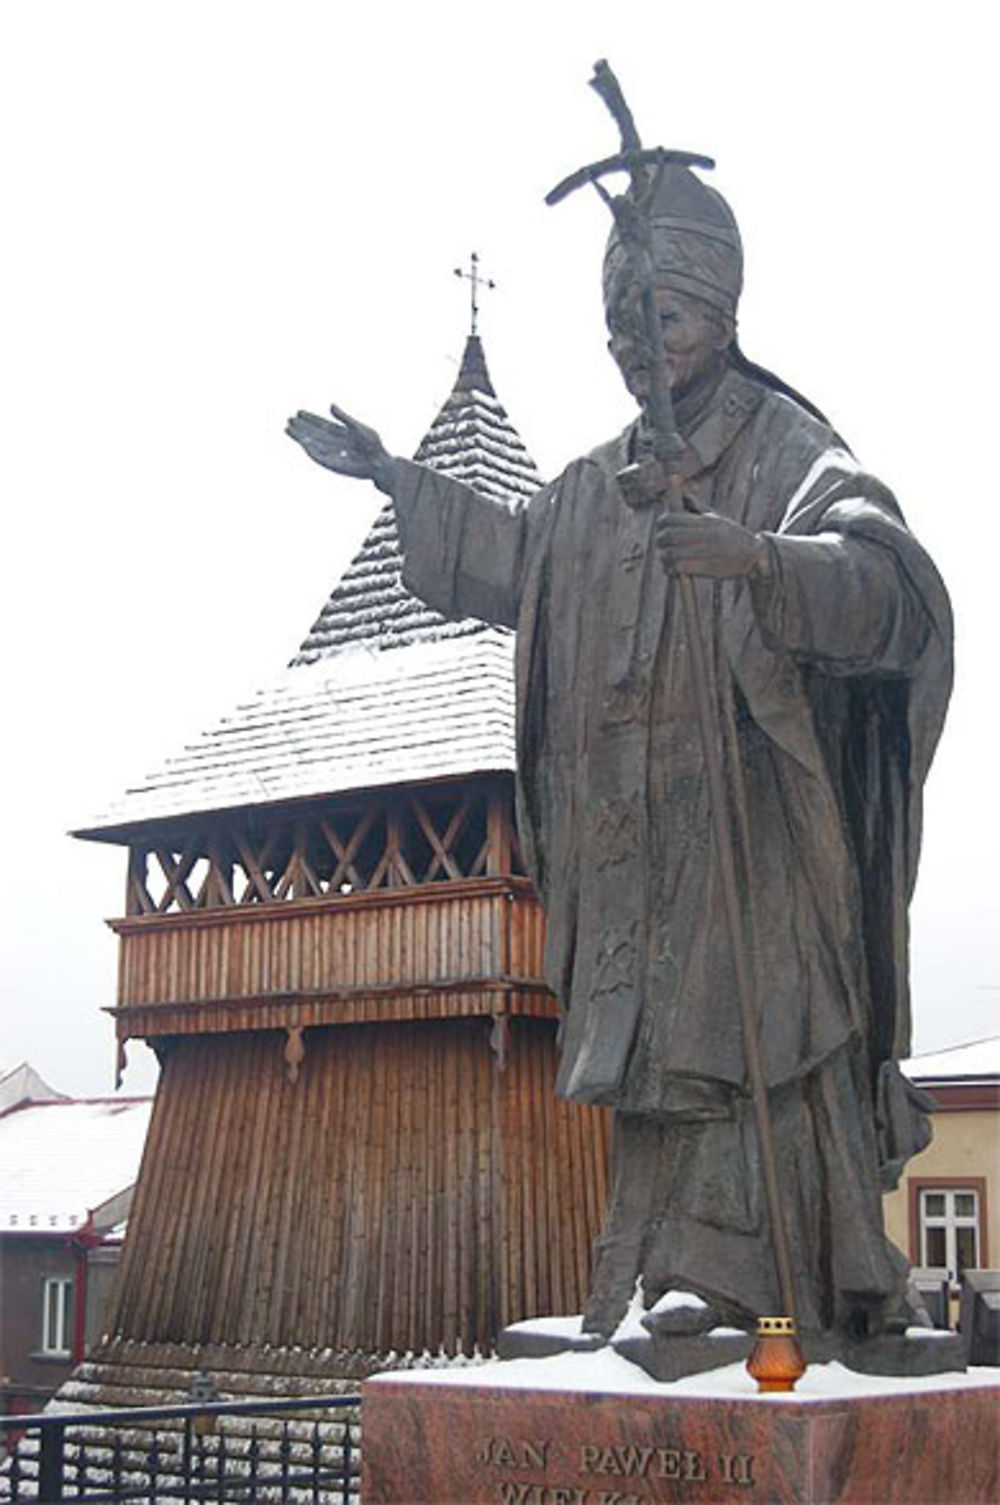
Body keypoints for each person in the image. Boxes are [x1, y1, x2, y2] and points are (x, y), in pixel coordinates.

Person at [287, 166, 952, 1352]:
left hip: (753, 830)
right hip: (630, 833)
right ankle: (661, 1269)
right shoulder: (592, 486)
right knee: (655, 1055)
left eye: (663, 320)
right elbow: (518, 561)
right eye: (620, 330)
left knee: (742, 1047)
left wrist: (759, 561)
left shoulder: (792, 451)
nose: (639, 350)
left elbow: (895, 593)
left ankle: (739, 1275)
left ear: (720, 313)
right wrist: (396, 479)